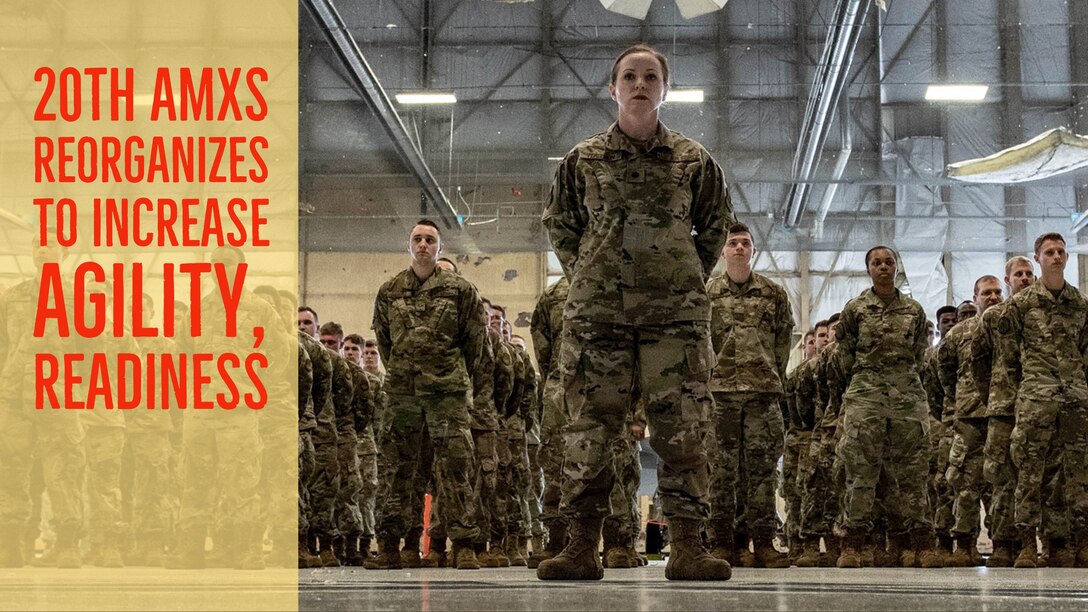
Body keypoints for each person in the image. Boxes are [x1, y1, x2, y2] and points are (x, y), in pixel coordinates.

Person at [540, 43, 734, 581]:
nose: (640, 84)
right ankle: (580, 546)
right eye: (630, 76)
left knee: (683, 428)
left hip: (675, 317)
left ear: (665, 90)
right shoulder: (583, 159)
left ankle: (688, 547)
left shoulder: (694, 160)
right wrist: (591, 273)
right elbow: (561, 224)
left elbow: (715, 225)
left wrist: (681, 275)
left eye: (651, 76)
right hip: (597, 317)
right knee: (590, 429)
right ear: (613, 88)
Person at [371, 219, 487, 571]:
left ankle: (463, 545)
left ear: (440, 248)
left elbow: (474, 343)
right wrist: (405, 371)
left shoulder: (460, 290)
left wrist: (452, 376)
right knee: (397, 468)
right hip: (402, 394)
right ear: (409, 245)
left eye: (430, 240)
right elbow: (385, 342)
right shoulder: (390, 291)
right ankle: (392, 545)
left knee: (456, 467)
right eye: (418, 239)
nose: (423, 245)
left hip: (446, 393)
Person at [833, 246, 941, 568]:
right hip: (866, 393)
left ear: (896, 268)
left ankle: (922, 544)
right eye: (876, 263)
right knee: (860, 470)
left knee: (913, 472)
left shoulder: (914, 310)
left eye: (889, 262)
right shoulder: (855, 309)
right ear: (868, 269)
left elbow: (919, 353)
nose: (883, 267)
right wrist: (865, 382)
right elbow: (844, 356)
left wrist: (900, 380)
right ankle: (852, 545)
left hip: (907, 395)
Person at [705, 223, 794, 568]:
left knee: (761, 472)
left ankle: (763, 543)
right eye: (733, 243)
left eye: (745, 243)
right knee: (721, 473)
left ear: (753, 251)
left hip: (761, 394)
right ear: (723, 251)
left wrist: (770, 375)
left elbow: (783, 340)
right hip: (720, 394)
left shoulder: (773, 293)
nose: (739, 248)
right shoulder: (708, 293)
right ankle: (724, 542)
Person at [997, 233, 1088, 568]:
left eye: (1061, 251)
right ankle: (1025, 543)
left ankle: (1067, 542)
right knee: (1029, 472)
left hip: (1074, 399)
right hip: (1036, 398)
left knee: (1074, 473)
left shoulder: (1080, 303)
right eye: (1050, 252)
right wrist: (1027, 390)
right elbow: (1008, 358)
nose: (1057, 257)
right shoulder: (1020, 305)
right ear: (1037, 259)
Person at [970, 256, 1036, 567]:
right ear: (1008, 280)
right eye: (1018, 274)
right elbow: (979, 363)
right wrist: (994, 396)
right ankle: (1004, 542)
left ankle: (1033, 542)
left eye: (1029, 274)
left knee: (1036, 476)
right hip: (1003, 407)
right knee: (1001, 477)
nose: (1025, 278)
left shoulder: (1044, 315)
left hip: (1039, 406)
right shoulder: (994, 317)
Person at [938, 275, 1003, 566]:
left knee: (1001, 484)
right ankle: (964, 545)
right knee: (965, 483)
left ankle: (1004, 544)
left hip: (1002, 414)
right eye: (986, 293)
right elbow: (944, 373)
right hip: (969, 417)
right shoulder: (958, 334)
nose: (993, 297)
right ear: (975, 298)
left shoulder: (1010, 326)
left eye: (997, 292)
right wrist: (958, 403)